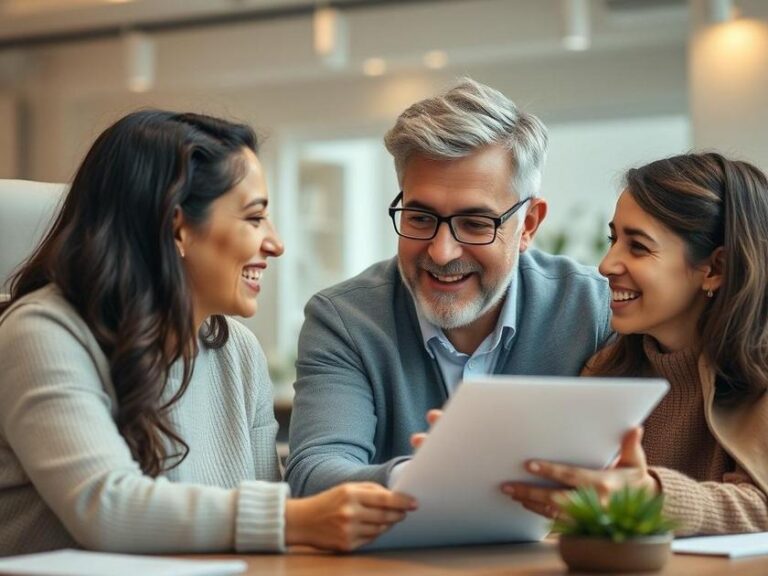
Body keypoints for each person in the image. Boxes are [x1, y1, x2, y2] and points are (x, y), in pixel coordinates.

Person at [0, 110, 416, 557]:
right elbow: (106, 507)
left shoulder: (238, 352)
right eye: (254, 219)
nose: (276, 244)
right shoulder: (42, 334)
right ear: (178, 226)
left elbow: (264, 545)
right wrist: (292, 518)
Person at [285, 79, 612, 497]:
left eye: (476, 224)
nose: (441, 253)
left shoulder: (592, 309)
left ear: (528, 225)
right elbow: (313, 473)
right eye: (420, 219)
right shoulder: (345, 319)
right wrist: (423, 478)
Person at [504, 152, 768, 535]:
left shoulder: (759, 374)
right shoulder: (605, 371)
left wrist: (653, 497)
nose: (606, 265)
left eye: (638, 247)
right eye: (614, 240)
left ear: (715, 269)